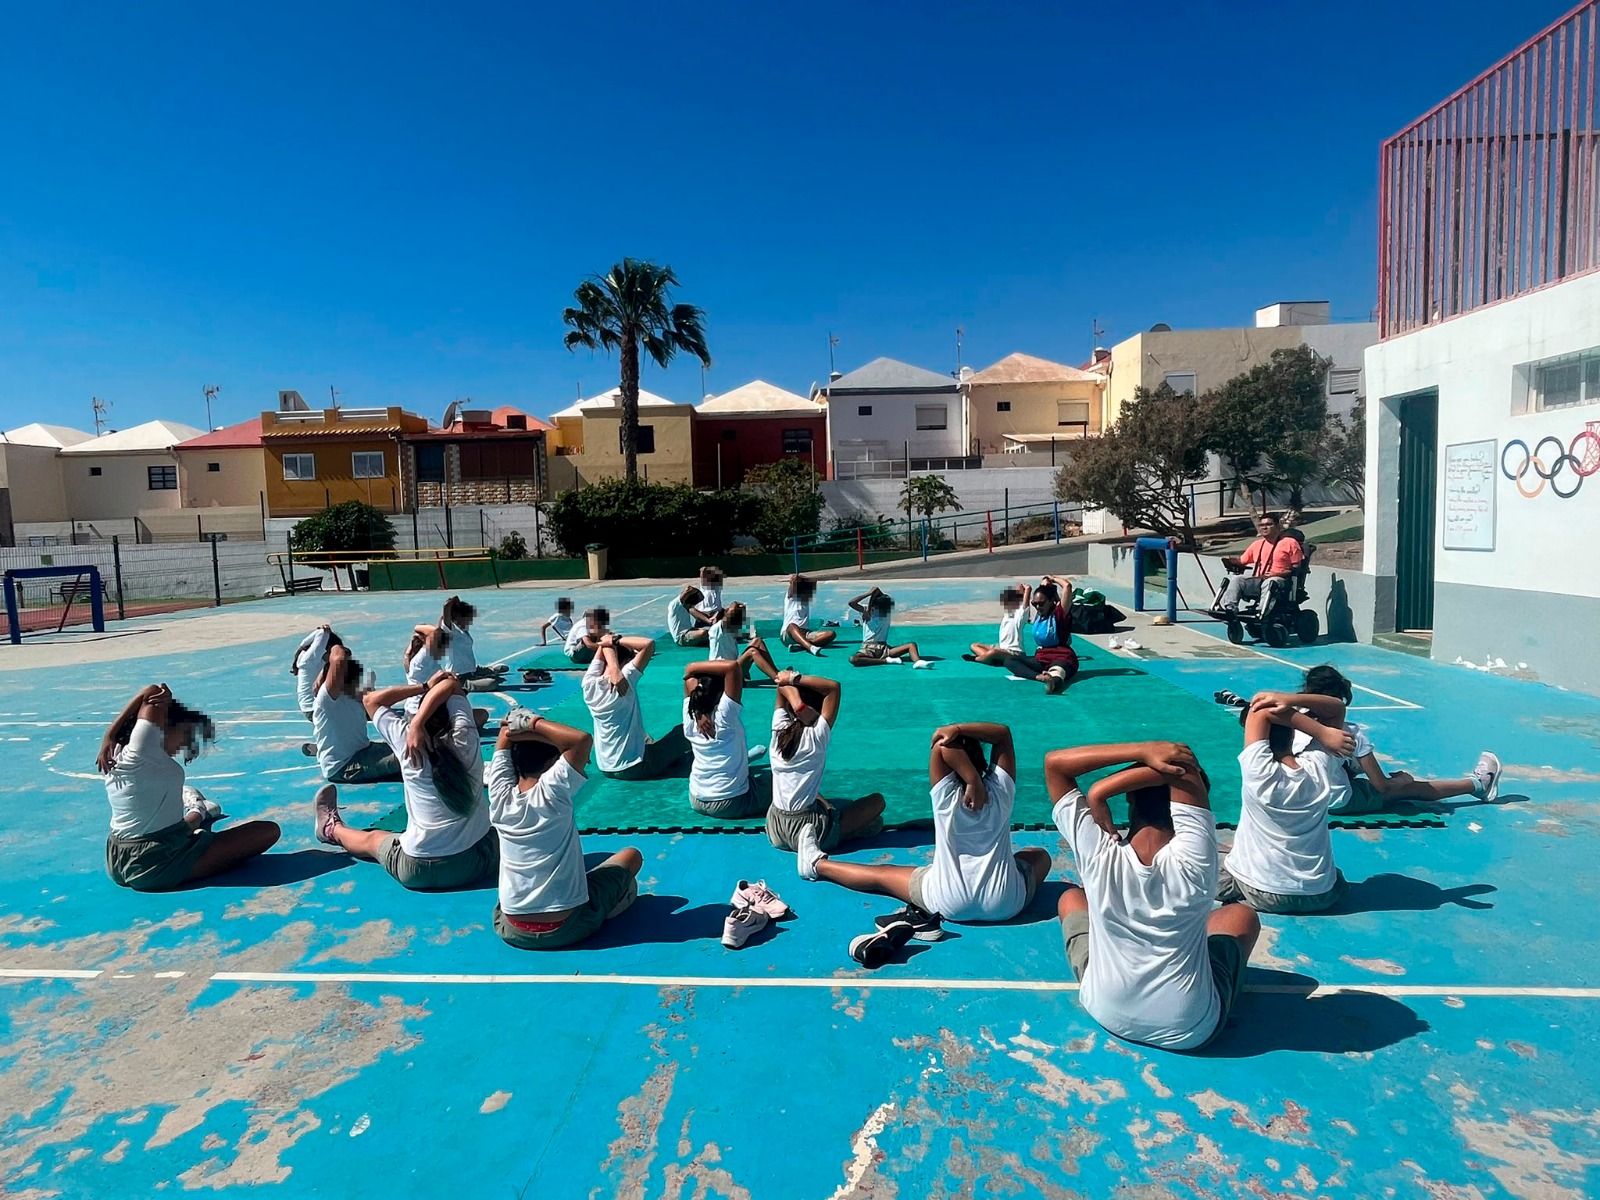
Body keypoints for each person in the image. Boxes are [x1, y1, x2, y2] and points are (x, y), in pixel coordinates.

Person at [1047, 740, 1259, 1051]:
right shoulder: (1196, 859)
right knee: (1242, 916)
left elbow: (1055, 763)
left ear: (1130, 798)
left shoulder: (1096, 849)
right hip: (1187, 1028)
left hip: (1106, 1008)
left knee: (1071, 899)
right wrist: (1104, 790)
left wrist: (1106, 785)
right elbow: (1183, 767)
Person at [797, 722, 1049, 943]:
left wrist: (969, 778)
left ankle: (816, 865)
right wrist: (962, 734)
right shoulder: (1001, 789)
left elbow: (940, 744)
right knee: (1038, 855)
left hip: (949, 902)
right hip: (1005, 904)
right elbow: (1002, 733)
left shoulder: (946, 795)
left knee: (881, 875)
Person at [314, 673, 498, 890]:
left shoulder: (406, 741)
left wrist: (423, 689)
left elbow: (371, 700)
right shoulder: (465, 737)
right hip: (474, 866)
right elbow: (451, 684)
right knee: (499, 829)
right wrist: (421, 718)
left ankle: (331, 830)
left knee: (373, 840)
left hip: (415, 869)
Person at [487, 707, 643, 950]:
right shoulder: (552, 792)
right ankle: (603, 911)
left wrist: (520, 724)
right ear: (553, 764)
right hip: (569, 926)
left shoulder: (499, 795)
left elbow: (505, 735)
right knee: (631, 857)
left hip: (511, 928)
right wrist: (534, 723)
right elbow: (581, 740)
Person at [97, 684, 280, 891]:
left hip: (118, 856)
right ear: (165, 725)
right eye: (185, 735)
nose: (184, 745)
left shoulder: (117, 752)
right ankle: (198, 812)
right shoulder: (142, 748)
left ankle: (199, 810)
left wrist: (112, 737)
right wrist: (109, 734)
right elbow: (152, 691)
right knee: (267, 831)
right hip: (154, 863)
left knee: (175, 827)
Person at [1219, 690, 1358, 914]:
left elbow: (1259, 712)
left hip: (1263, 893)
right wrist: (1319, 728)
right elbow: (1337, 708)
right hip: (1320, 894)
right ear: (1293, 734)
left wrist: (1319, 730)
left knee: (1206, 855)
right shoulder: (1319, 766)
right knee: (1333, 875)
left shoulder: (1259, 772)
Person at [1298, 665, 1503, 811]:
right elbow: (1381, 786)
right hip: (1335, 801)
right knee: (1410, 788)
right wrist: (1402, 780)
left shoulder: (1292, 721)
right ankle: (1480, 785)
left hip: (1299, 797)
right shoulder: (1350, 734)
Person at [765, 670, 885, 852]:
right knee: (877, 802)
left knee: (818, 796)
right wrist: (795, 680)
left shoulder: (778, 730)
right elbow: (833, 688)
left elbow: (781, 685)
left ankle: (836, 822)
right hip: (807, 830)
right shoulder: (817, 734)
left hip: (775, 827)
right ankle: (840, 831)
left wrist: (796, 701)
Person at [581, 634, 691, 780]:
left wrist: (613, 663)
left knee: (645, 737)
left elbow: (604, 641)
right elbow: (649, 644)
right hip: (635, 767)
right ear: (627, 662)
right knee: (683, 732)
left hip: (605, 766)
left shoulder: (588, 683)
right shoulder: (625, 681)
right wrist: (615, 642)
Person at [683, 659, 769, 818]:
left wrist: (691, 666)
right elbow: (733, 667)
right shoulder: (725, 714)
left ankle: (745, 760)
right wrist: (692, 667)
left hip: (696, 797)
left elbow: (688, 677)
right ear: (721, 693)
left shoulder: (691, 713)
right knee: (778, 780)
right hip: (730, 803)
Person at [309, 642, 402, 783]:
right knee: (411, 756)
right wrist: (333, 646)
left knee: (410, 744)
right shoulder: (327, 699)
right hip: (345, 765)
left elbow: (379, 696)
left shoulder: (353, 694)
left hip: (364, 749)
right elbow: (339, 658)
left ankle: (322, 750)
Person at [1211, 513, 1306, 619]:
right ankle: (1230, 610)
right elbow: (1242, 561)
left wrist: (1278, 573)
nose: (1264, 527)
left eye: (1269, 524)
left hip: (1282, 582)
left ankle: (1261, 611)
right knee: (1237, 579)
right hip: (1259, 580)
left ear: (1277, 526)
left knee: (1270, 581)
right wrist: (1230, 561)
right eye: (1261, 525)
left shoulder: (1290, 543)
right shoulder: (1257, 544)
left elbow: (1297, 569)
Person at [1004, 575, 1079, 694]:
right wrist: (1043, 584)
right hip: (1041, 658)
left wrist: (1052, 579)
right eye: (1035, 603)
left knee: (1057, 672)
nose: (1038, 607)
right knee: (1009, 660)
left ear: (1051, 601)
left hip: (1062, 656)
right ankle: (1040, 677)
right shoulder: (1038, 615)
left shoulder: (1059, 614)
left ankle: (1053, 683)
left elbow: (1067, 586)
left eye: (1041, 603)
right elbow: (1041, 593)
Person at [847, 587, 931, 668]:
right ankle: (886, 661)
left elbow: (878, 592)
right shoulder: (867, 612)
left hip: (884, 649)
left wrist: (874, 592)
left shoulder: (885, 613)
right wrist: (869, 593)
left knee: (911, 645)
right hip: (868, 649)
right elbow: (851, 603)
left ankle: (918, 662)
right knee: (854, 659)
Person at [440, 596, 508, 691]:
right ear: (457, 617)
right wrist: (455, 600)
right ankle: (476, 678)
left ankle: (483, 671)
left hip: (471, 671)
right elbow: (446, 606)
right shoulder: (450, 631)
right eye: (467, 618)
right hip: (459, 677)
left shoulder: (463, 631)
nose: (469, 620)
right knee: (492, 683)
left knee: (493, 680)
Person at [709, 602, 779, 682]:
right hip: (722, 672)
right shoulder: (716, 629)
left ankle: (776, 672)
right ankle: (777, 678)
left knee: (757, 641)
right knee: (752, 652)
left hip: (732, 666)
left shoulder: (730, 633)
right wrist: (736, 604)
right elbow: (731, 610)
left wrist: (743, 610)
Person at [965, 585, 1029, 666]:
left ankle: (977, 659)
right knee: (974, 646)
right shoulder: (1007, 615)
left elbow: (1025, 606)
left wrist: (1027, 589)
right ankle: (991, 659)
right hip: (1001, 648)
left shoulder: (1020, 617)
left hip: (1014, 652)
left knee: (993, 652)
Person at [781, 574, 836, 655]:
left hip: (805, 633)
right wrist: (794, 580)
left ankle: (802, 645)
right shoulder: (790, 599)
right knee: (792, 626)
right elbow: (793, 585)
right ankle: (810, 647)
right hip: (788, 634)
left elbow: (813, 581)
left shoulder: (805, 601)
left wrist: (804, 579)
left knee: (831, 634)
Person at [290, 625, 335, 718]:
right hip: (314, 708)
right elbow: (320, 638)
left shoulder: (307, 656)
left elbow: (303, 644)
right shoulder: (311, 658)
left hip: (311, 707)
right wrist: (324, 632)